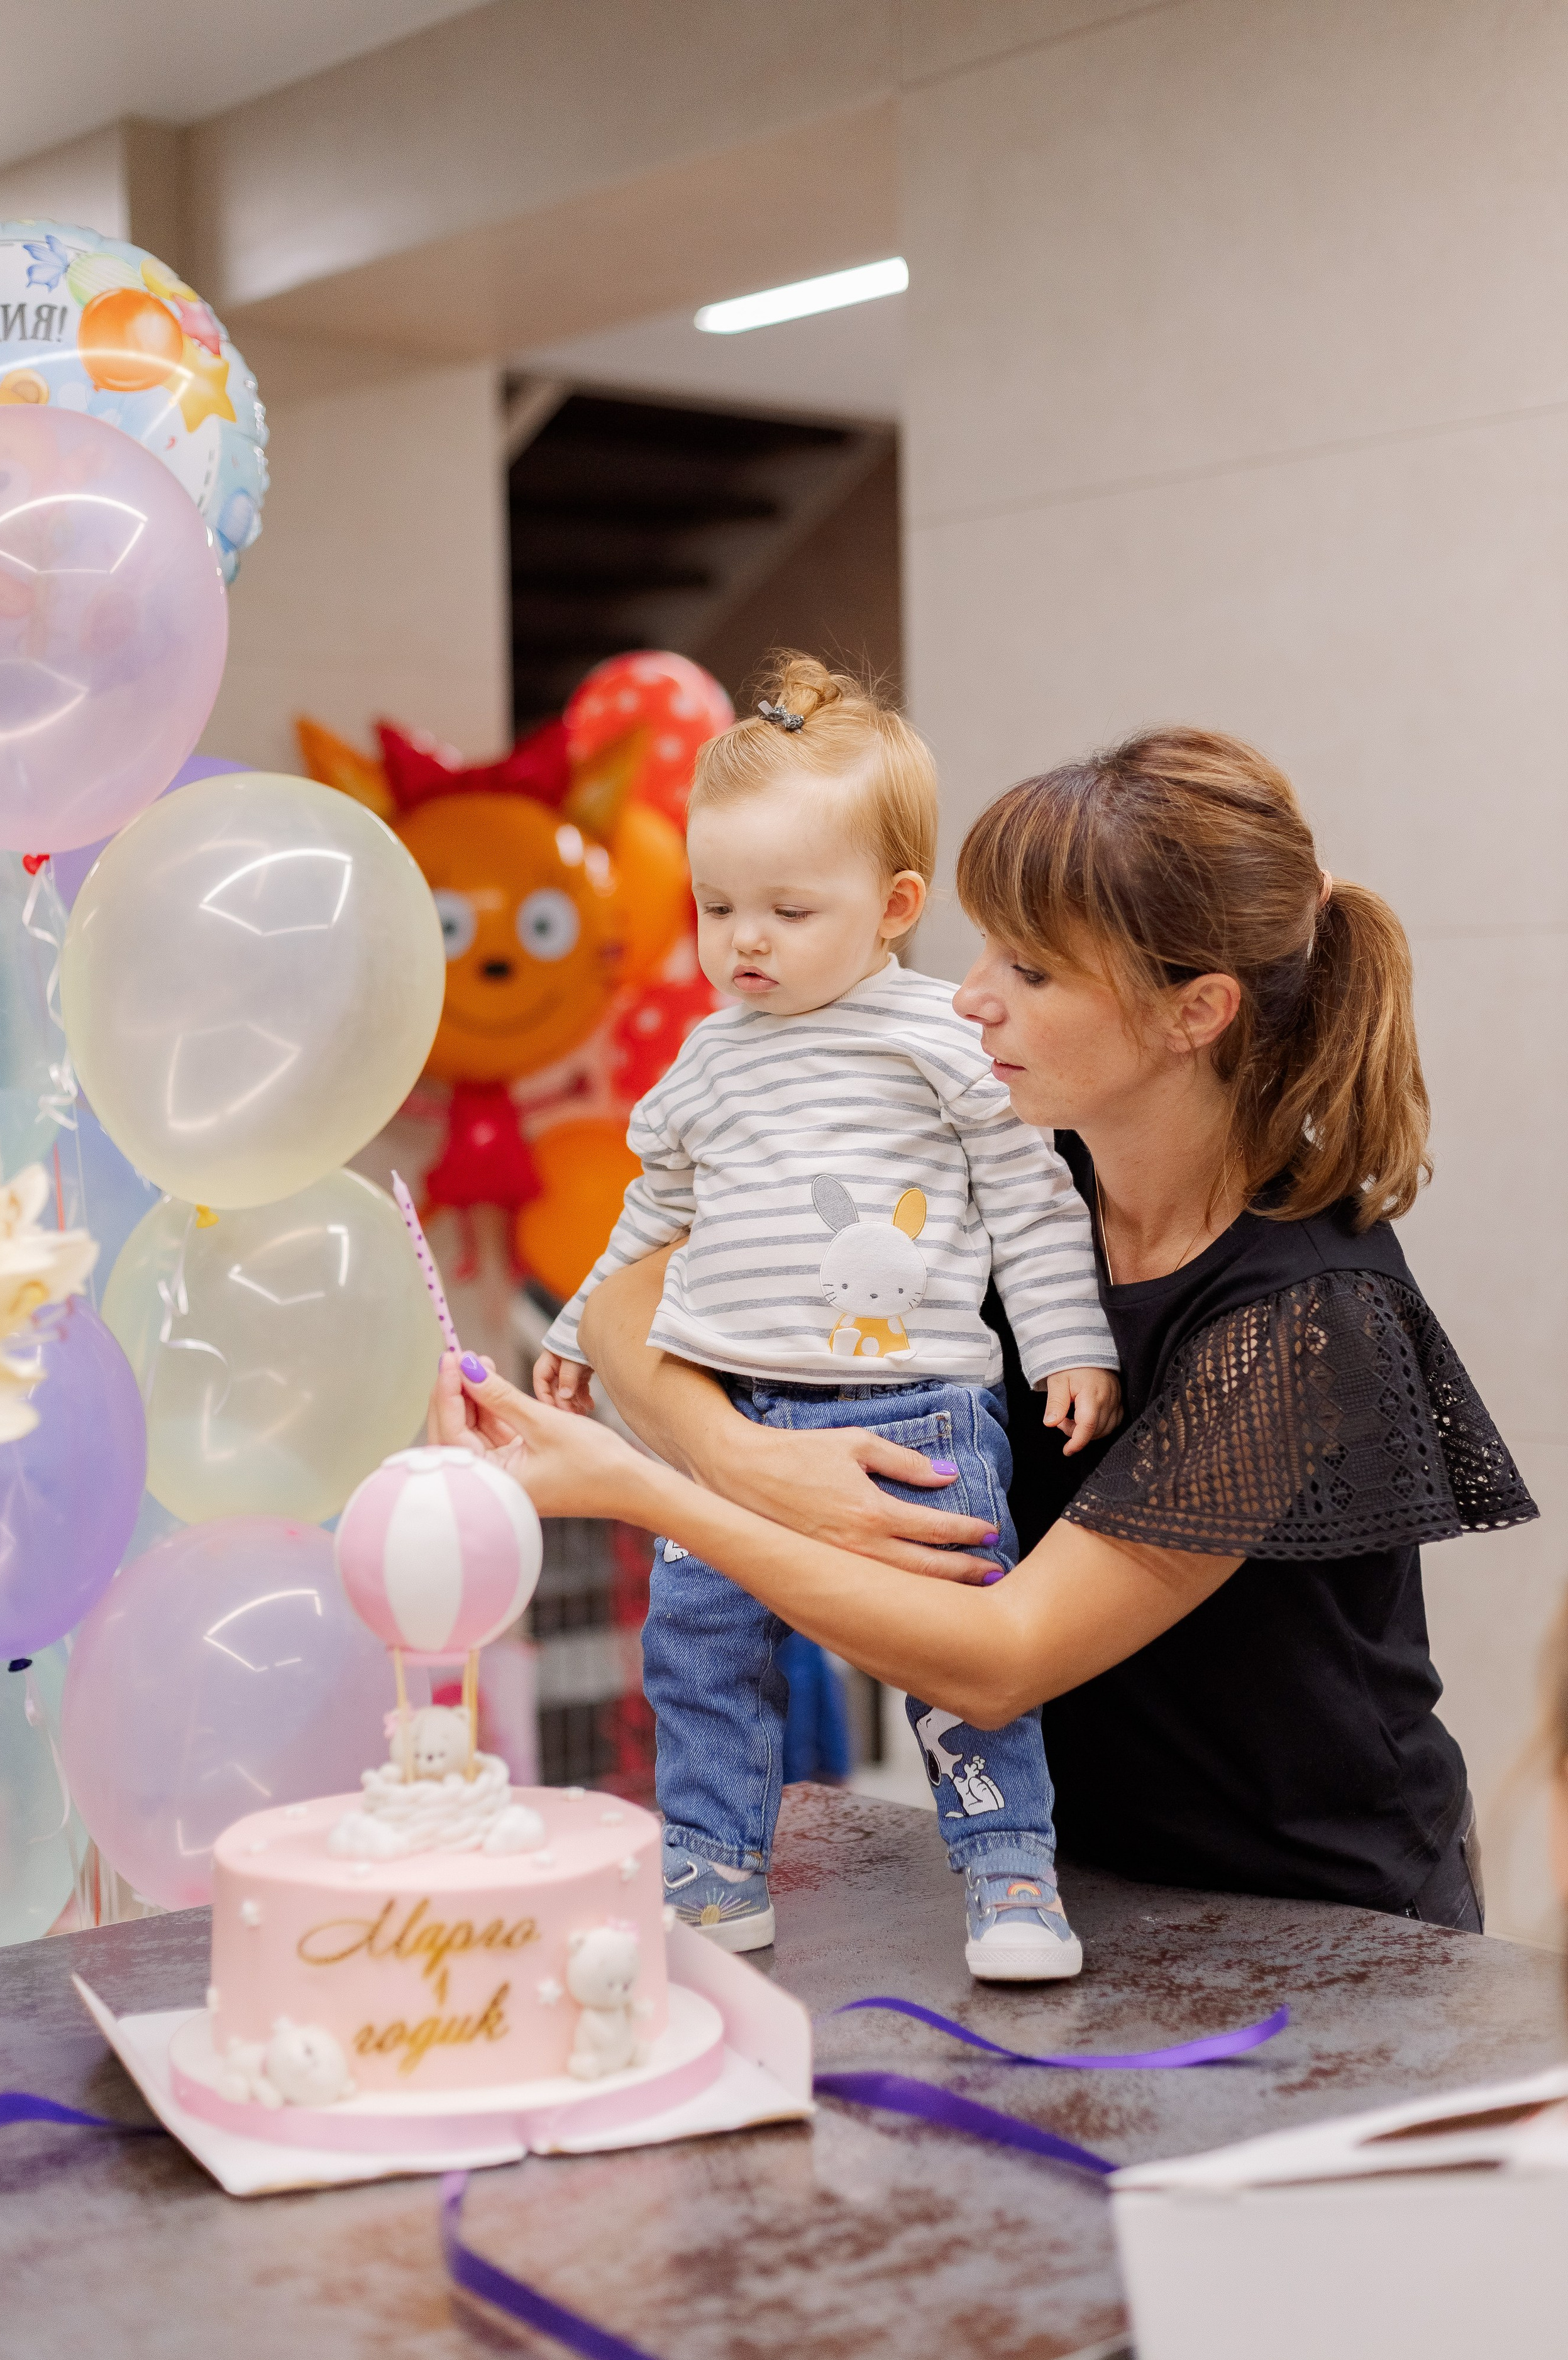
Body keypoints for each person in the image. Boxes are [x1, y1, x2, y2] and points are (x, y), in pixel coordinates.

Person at [434, 727, 1537, 1937]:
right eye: (984, 949)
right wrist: (752, 1463)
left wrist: (647, 1493)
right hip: (1082, 1885)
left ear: (1196, 1012)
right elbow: (644, 1290)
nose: (971, 996)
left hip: (1327, 1930)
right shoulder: (1018, 1184)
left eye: (1034, 971)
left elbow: (1002, 1656)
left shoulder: (1303, 1314)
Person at [531, 657, 1120, 1979]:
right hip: (733, 1407)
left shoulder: (940, 1038)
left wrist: (1071, 1341)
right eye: (717, 905)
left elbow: (1029, 1203)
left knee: (952, 1661)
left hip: (915, 1408)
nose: (744, 939)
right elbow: (647, 1222)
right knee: (698, 1654)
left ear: (894, 907)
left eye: (790, 910)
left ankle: (1010, 1876)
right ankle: (711, 1872)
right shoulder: (702, 1060)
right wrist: (577, 1328)